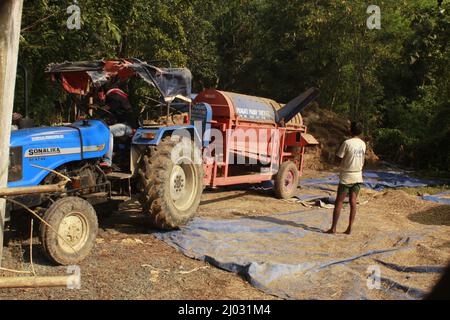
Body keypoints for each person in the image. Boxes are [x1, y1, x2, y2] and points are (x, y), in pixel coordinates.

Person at [326, 121, 366, 235]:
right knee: (353, 201)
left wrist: (335, 162)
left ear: (350, 130)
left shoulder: (347, 143)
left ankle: (333, 228)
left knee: (339, 201)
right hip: (358, 176)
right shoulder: (363, 144)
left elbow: (338, 158)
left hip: (347, 177)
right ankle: (349, 228)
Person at [98, 85, 137, 167]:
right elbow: (112, 113)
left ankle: (107, 161)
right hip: (127, 123)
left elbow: (105, 111)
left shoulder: (113, 96)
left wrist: (97, 113)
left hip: (129, 125)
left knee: (108, 131)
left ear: (103, 92)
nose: (100, 98)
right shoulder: (118, 94)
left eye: (99, 95)